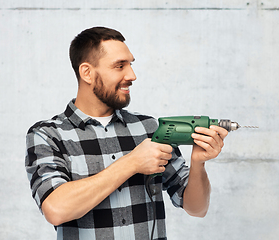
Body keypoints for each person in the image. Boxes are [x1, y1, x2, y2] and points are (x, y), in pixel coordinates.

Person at [25, 26, 228, 240]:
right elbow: (55, 210)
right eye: (119, 66)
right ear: (87, 72)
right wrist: (132, 162)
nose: (132, 75)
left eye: (130, 64)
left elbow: (197, 208)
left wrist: (198, 163)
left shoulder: (150, 129)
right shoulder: (47, 135)